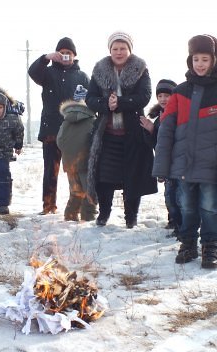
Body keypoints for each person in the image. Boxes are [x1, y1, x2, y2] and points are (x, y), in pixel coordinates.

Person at [152, 34, 217, 269]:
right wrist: (162, 167)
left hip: (211, 168)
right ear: (190, 61)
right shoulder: (180, 93)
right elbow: (165, 133)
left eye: (205, 59)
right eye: (196, 59)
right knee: (187, 207)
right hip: (182, 166)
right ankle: (188, 244)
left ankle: (210, 247)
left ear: (214, 61)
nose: (200, 64)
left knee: (210, 208)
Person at [86, 31, 157, 229]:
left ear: (129, 50)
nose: (119, 52)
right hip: (107, 135)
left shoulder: (140, 68)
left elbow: (145, 95)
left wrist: (122, 102)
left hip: (132, 133)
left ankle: (131, 216)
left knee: (132, 177)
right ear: (110, 50)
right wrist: (105, 104)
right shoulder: (99, 70)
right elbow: (90, 98)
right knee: (104, 178)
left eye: (123, 48)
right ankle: (104, 213)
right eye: (115, 49)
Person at [28, 37, 90, 215]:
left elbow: (88, 101)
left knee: (75, 171)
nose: (65, 56)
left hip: (73, 131)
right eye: (62, 53)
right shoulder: (47, 73)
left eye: (68, 53)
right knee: (50, 170)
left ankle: (76, 206)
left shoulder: (82, 76)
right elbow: (32, 71)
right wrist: (46, 57)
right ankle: (48, 206)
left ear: (74, 55)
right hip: (51, 130)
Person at [140, 78, 180, 236]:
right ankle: (173, 221)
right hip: (165, 164)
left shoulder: (179, 114)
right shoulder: (158, 118)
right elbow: (156, 144)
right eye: (160, 96)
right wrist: (150, 130)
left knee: (179, 195)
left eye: (167, 95)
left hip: (179, 162)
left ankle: (180, 224)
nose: (163, 99)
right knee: (169, 194)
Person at [56, 85, 97, 222]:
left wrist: (68, 153)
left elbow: (59, 140)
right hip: (85, 162)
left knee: (75, 191)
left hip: (69, 163)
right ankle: (88, 218)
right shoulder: (92, 120)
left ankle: (70, 217)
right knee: (89, 192)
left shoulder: (66, 120)